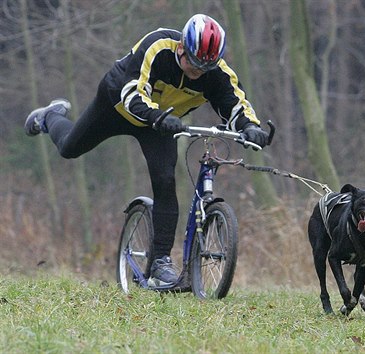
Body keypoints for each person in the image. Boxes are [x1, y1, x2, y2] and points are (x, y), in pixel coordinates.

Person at [24, 14, 270, 287]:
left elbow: (235, 104)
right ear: (181, 48)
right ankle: (49, 116)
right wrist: (158, 117)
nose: (198, 72)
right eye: (194, 63)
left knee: (165, 181)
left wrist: (251, 128)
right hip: (117, 107)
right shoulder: (158, 46)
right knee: (69, 148)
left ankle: (160, 263)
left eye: (205, 68)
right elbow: (132, 93)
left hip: (161, 124)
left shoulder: (216, 72)